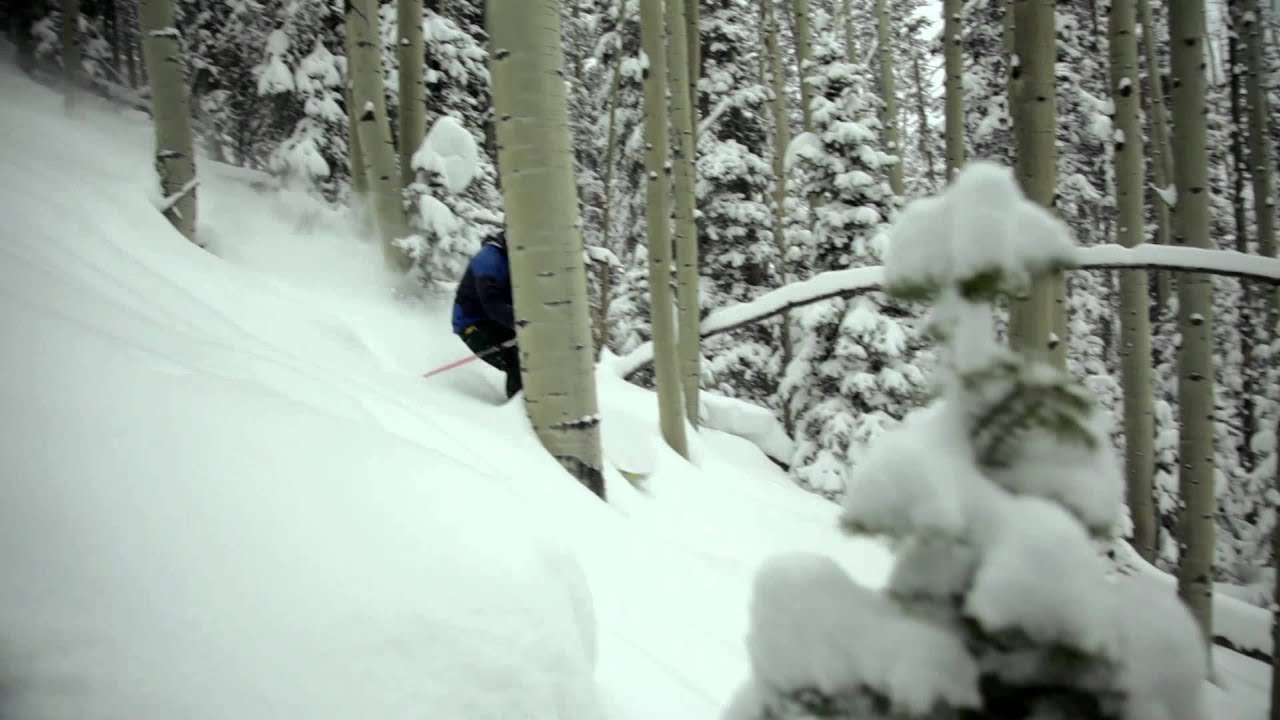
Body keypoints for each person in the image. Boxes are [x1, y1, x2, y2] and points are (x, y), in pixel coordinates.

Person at [452, 232, 522, 398]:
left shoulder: (514, 259)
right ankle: (518, 409)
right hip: (472, 324)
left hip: (495, 320)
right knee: (517, 358)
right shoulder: (488, 260)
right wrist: (520, 322)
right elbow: (493, 304)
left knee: (532, 351)